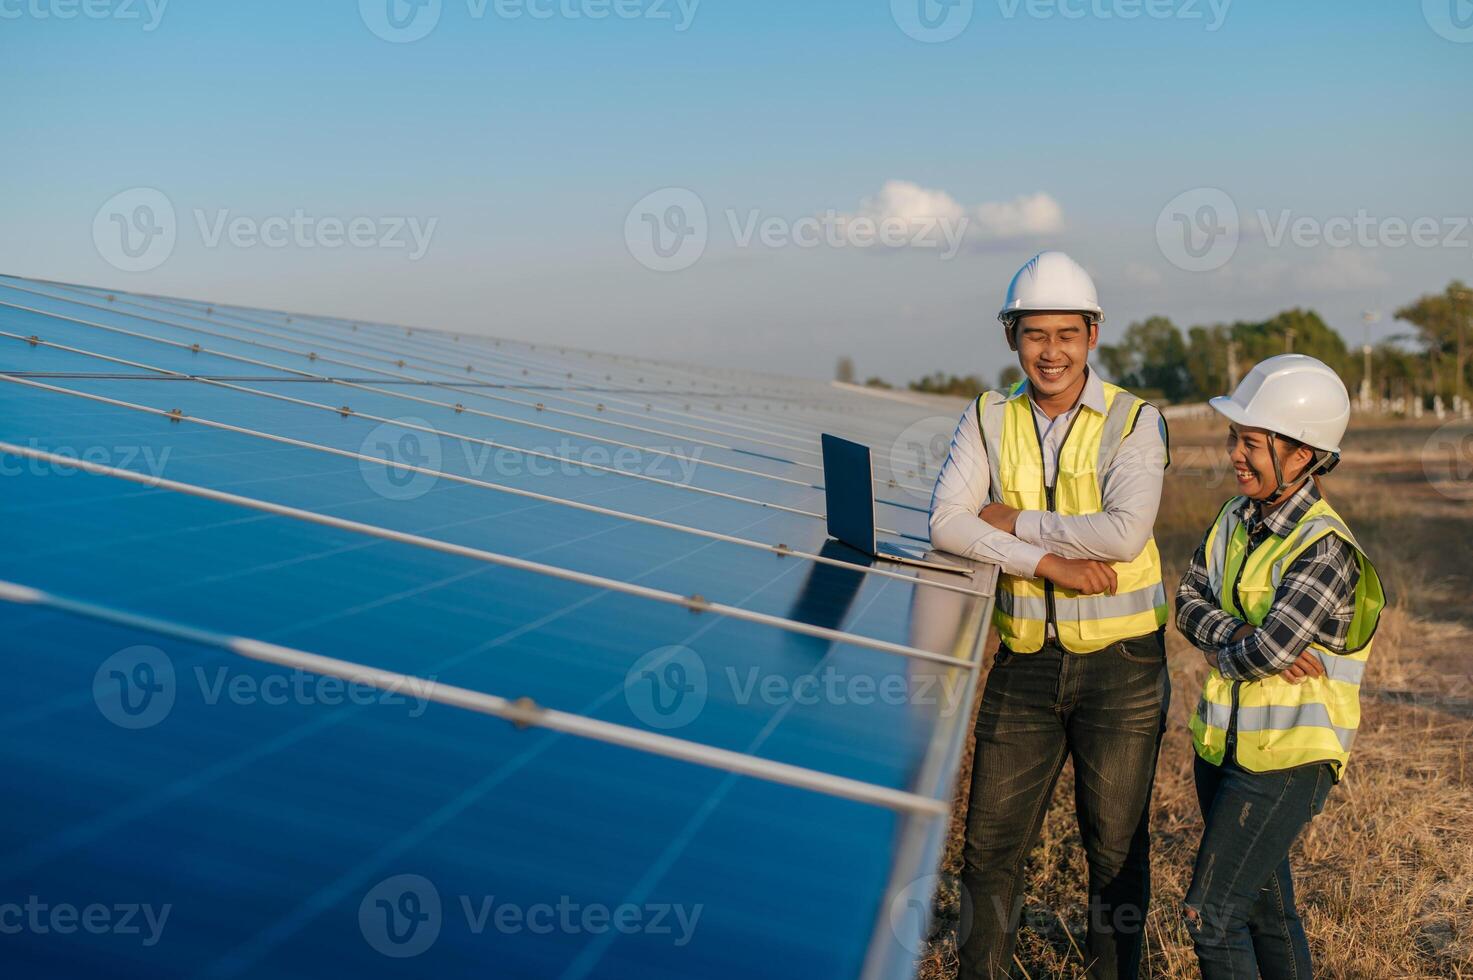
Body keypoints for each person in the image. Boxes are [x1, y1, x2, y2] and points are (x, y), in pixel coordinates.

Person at [930, 251, 1171, 979]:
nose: (1051, 351)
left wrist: (1013, 524)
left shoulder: (1135, 421)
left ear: (1093, 336)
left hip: (1122, 668)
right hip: (1024, 664)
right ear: (1012, 339)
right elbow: (945, 521)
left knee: (1114, 851)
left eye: (1067, 333)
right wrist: (1050, 562)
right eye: (1035, 335)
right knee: (989, 850)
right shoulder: (985, 414)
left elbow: (1124, 533)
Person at [1176, 354, 1385, 979]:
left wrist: (1238, 645)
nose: (1236, 454)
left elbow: (1268, 652)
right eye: (1234, 439)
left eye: (1251, 442)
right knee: (1266, 912)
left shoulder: (1323, 548)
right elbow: (1187, 603)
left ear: (1302, 455)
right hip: (1224, 749)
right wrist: (1235, 633)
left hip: (1288, 759)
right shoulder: (1232, 520)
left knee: (1210, 916)